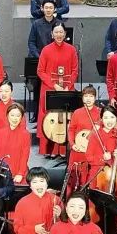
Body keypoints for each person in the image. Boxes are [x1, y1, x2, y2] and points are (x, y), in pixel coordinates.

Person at [37, 24, 78, 158]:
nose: (59, 35)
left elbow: (75, 70)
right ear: (52, 34)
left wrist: (68, 86)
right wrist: (54, 85)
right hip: (50, 89)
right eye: (56, 32)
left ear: (65, 34)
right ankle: (51, 150)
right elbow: (40, 71)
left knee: (65, 117)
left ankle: (63, 149)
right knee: (51, 118)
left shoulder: (72, 50)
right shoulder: (46, 50)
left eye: (61, 32)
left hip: (67, 89)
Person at [84, 106, 117, 198]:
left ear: (116, 118)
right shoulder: (95, 134)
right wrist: (102, 158)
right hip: (97, 174)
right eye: (106, 117)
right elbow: (89, 157)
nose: (109, 121)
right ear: (101, 119)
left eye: (112, 117)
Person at [67, 86, 101, 190]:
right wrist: (72, 144)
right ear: (82, 98)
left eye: (91, 96)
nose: (88, 99)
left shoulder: (100, 112)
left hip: (94, 151)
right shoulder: (77, 112)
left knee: (91, 179)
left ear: (95, 98)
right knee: (75, 177)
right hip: (79, 148)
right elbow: (71, 130)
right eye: (86, 96)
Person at [0, 103, 30, 185]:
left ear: (21, 117)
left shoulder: (25, 134)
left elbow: (25, 155)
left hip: (19, 172)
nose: (15, 118)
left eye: (18, 116)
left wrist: (20, 173)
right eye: (12, 115)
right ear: (7, 116)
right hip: (1, 171)